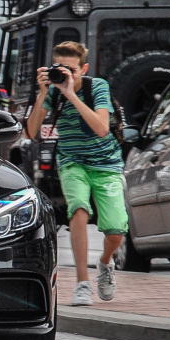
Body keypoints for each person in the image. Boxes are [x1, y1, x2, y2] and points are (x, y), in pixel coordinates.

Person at [24, 40, 127, 306]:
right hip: (72, 162)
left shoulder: (97, 87)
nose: (65, 74)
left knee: (116, 232)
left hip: (106, 164)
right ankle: (82, 283)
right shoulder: (52, 90)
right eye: (60, 68)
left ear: (84, 68)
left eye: (71, 69)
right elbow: (30, 132)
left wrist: (70, 94)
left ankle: (104, 263)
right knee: (78, 210)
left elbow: (102, 128)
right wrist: (42, 92)